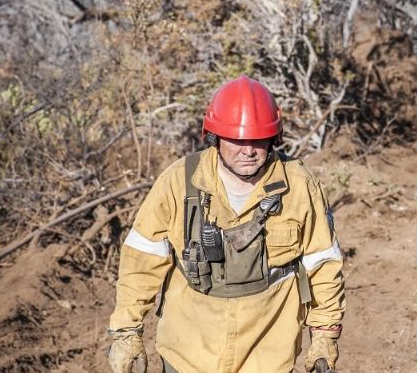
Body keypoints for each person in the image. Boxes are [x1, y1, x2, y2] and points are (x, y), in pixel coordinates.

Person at [107, 75, 346, 373]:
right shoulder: (178, 181)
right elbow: (141, 260)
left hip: (267, 354)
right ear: (215, 136)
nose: (248, 150)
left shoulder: (299, 185)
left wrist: (325, 335)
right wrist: (126, 331)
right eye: (237, 139)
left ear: (273, 137)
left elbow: (322, 263)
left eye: (258, 139)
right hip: (189, 354)